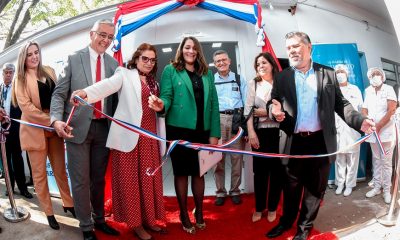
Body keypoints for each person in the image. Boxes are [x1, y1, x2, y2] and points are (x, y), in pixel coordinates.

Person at [266, 31, 375, 240]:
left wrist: (361, 122)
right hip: (292, 141)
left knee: (315, 190)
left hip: (320, 142)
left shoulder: (328, 73)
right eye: (289, 48)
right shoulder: (282, 77)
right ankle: (286, 221)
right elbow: (274, 102)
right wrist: (274, 110)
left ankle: (304, 229)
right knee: (290, 188)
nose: (292, 51)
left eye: (296, 46)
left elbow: (341, 105)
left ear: (309, 47)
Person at [70, 43, 166, 240]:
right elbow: (106, 86)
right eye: (144, 59)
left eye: (152, 60)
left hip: (149, 137)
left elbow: (158, 106)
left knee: (148, 180)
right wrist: (86, 93)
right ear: (136, 59)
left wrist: (160, 106)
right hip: (130, 138)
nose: (148, 63)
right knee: (132, 183)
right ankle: (136, 225)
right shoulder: (124, 73)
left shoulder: (153, 81)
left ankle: (149, 219)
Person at [50, 19, 120, 240]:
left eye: (110, 37)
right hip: (77, 130)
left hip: (103, 130)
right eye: (102, 35)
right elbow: (59, 95)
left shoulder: (113, 65)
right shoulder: (73, 59)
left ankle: (99, 219)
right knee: (80, 180)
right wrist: (55, 121)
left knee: (98, 179)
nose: (106, 40)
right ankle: (86, 226)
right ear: (91, 34)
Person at [148, 36, 220, 235]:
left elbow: (213, 104)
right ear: (182, 49)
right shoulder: (171, 70)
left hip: (202, 131)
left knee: (199, 172)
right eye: (187, 47)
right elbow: (167, 96)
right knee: (181, 173)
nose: (191, 51)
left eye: (194, 48)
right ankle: (183, 213)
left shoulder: (207, 73)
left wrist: (214, 133)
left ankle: (198, 212)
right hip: (178, 129)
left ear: (198, 51)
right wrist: (162, 105)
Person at [12, 41, 74, 230]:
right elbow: (27, 109)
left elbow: (59, 96)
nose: (34, 57)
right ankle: (48, 212)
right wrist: (52, 120)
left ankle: (68, 204)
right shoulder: (20, 79)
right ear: (24, 58)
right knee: (39, 176)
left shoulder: (49, 71)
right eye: (29, 54)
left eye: (36, 52)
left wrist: (60, 119)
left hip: (54, 128)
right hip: (35, 129)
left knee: (60, 171)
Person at [245, 52, 283, 223]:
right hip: (259, 133)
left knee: (276, 173)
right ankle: (260, 208)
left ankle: (273, 207)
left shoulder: (281, 83)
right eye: (257, 63)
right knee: (259, 173)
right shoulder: (253, 83)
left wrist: (264, 113)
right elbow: (248, 111)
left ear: (272, 64)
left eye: (264, 63)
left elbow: (284, 110)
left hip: (279, 134)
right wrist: (251, 132)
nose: (260, 66)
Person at [212, 49, 246, 206]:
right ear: (215, 63)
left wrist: (245, 126)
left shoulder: (238, 79)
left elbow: (247, 104)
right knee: (217, 159)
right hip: (217, 120)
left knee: (236, 158)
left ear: (229, 61)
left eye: (224, 59)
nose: (221, 63)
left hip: (236, 120)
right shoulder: (211, 80)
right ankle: (220, 192)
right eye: (218, 61)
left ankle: (235, 190)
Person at [362, 67, 396, 204]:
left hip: (386, 133)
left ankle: (387, 190)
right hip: (373, 133)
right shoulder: (368, 91)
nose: (375, 76)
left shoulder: (388, 89)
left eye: (377, 74)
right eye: (372, 75)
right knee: (376, 160)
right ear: (369, 77)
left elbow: (391, 110)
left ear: (382, 76)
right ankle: (377, 187)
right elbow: (364, 109)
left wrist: (379, 125)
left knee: (386, 163)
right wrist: (367, 120)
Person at [1, 63, 33, 199]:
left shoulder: (18, 89)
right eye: (6, 72)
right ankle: (10, 187)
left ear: (14, 74)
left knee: (18, 159)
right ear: (2, 74)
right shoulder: (0, 89)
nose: (8, 74)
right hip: (3, 131)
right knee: (6, 160)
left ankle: (23, 188)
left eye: (11, 72)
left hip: (16, 129)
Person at [333, 64, 363, 197]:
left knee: (352, 158)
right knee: (340, 158)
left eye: (342, 71)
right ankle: (340, 183)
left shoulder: (355, 89)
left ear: (347, 73)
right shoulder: (333, 89)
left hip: (353, 130)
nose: (340, 73)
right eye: (337, 71)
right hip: (337, 129)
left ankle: (350, 184)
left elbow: (361, 109)